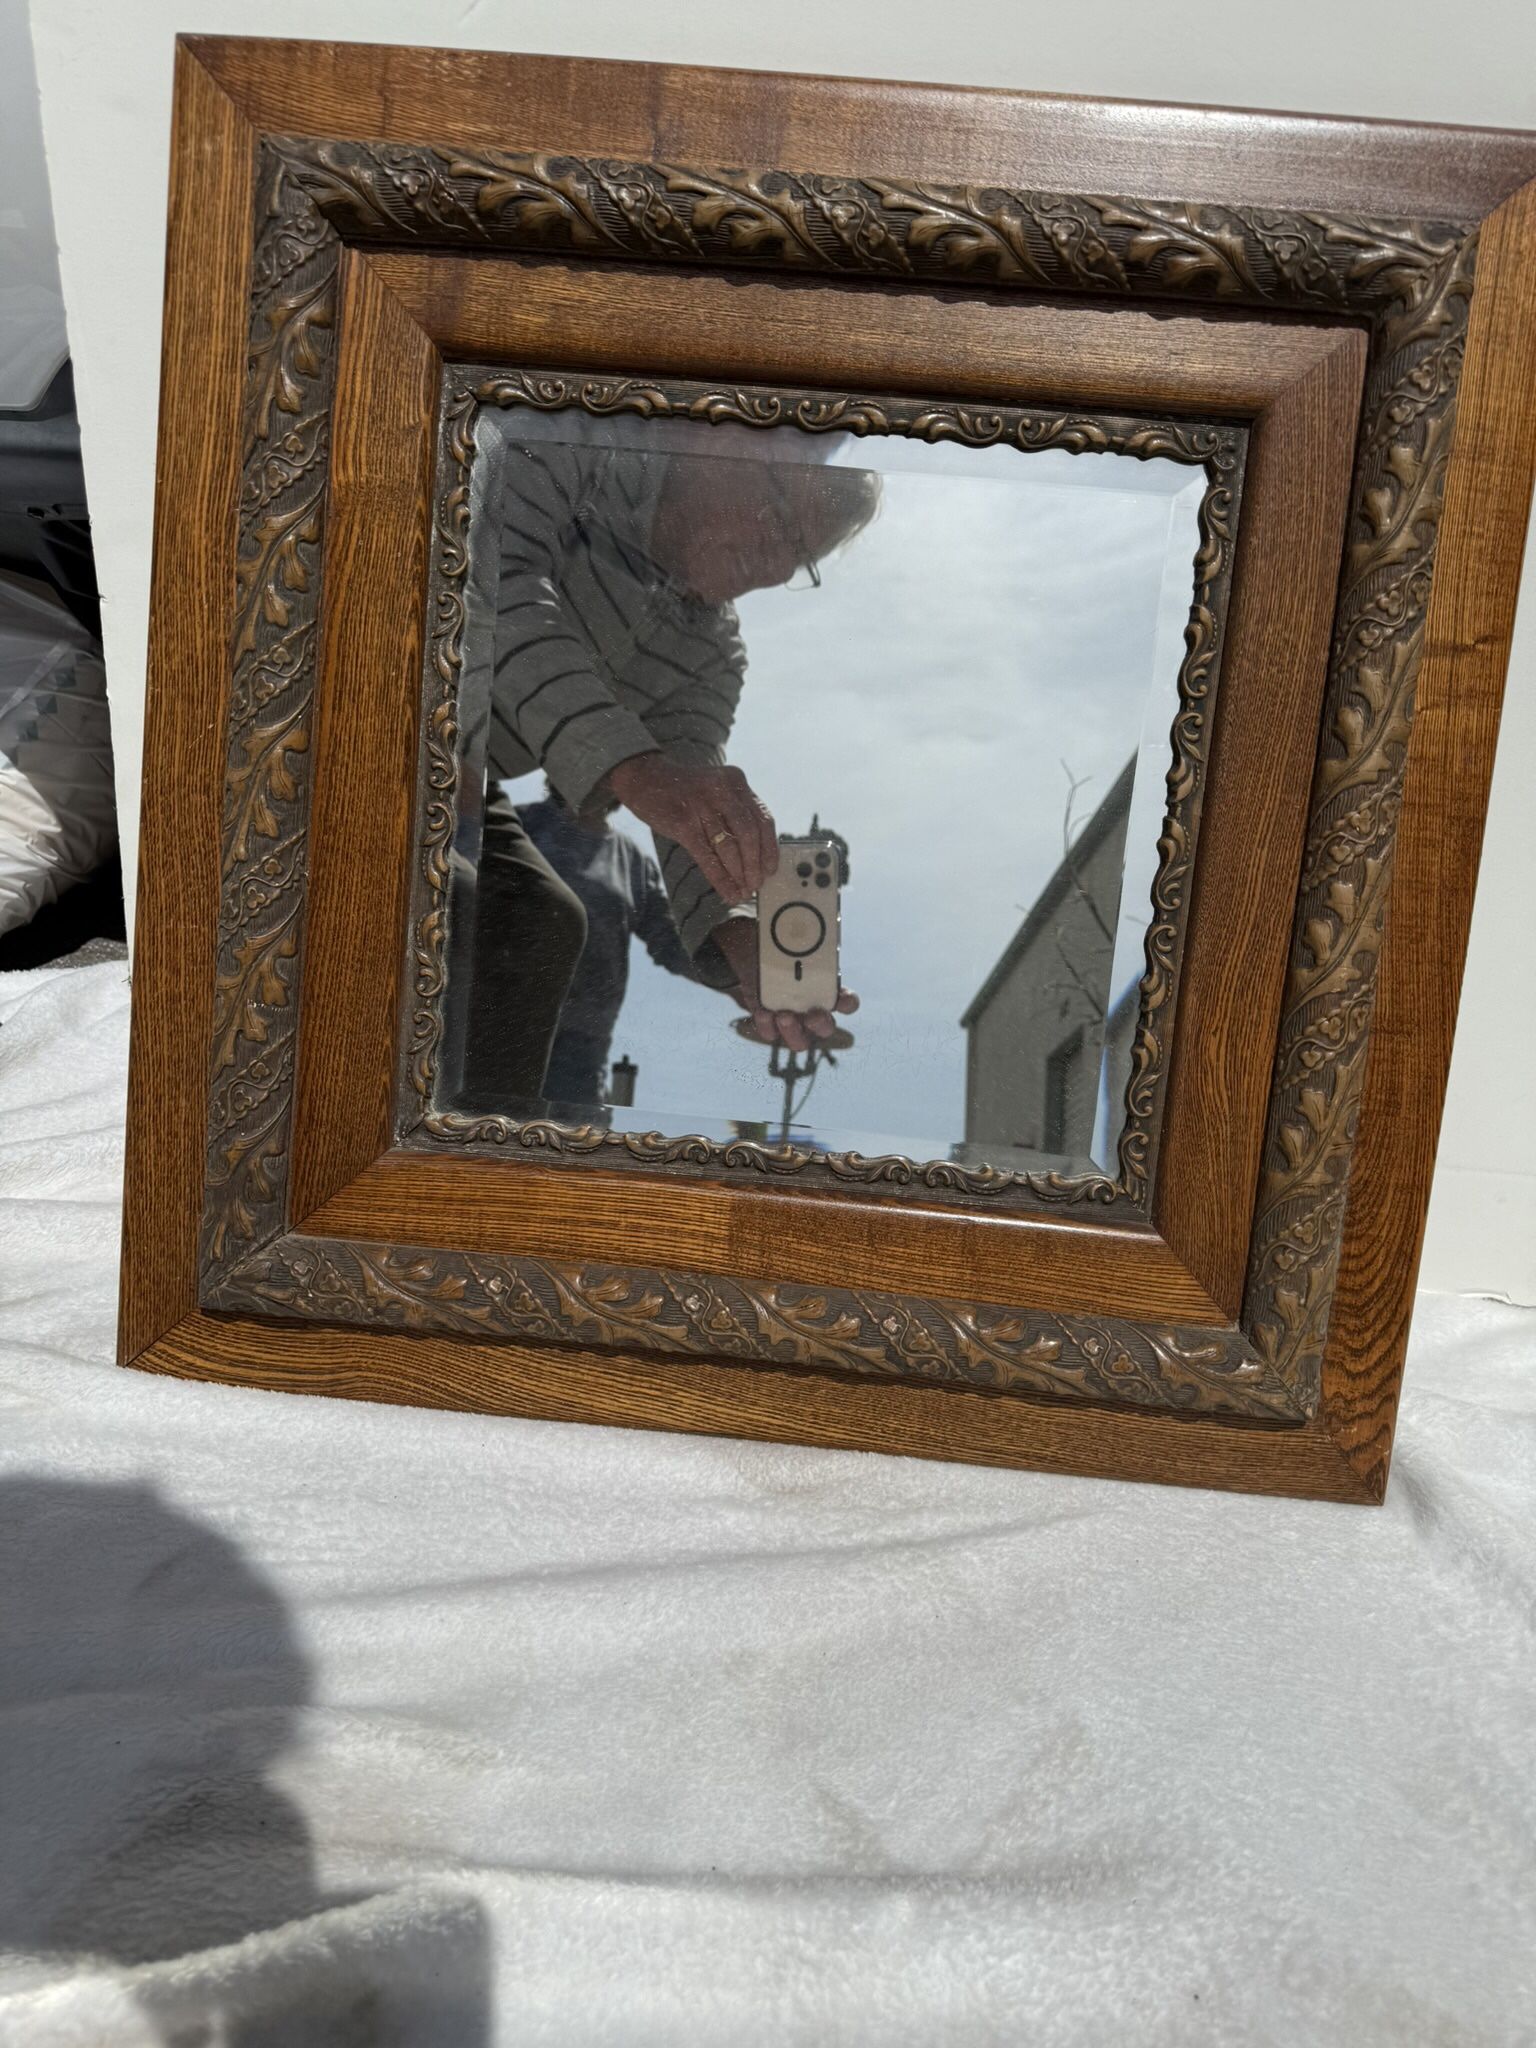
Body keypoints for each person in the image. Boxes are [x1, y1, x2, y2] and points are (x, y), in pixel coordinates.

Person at [456, 429, 877, 1112]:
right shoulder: (574, 443)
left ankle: (471, 1177)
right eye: (776, 509)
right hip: (378, 708)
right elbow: (496, 586)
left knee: (542, 918)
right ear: (728, 443)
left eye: (801, 555)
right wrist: (639, 771)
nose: (774, 556)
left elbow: (690, 785)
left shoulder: (713, 653)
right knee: (456, 897)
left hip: (467, 785)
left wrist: (748, 950)